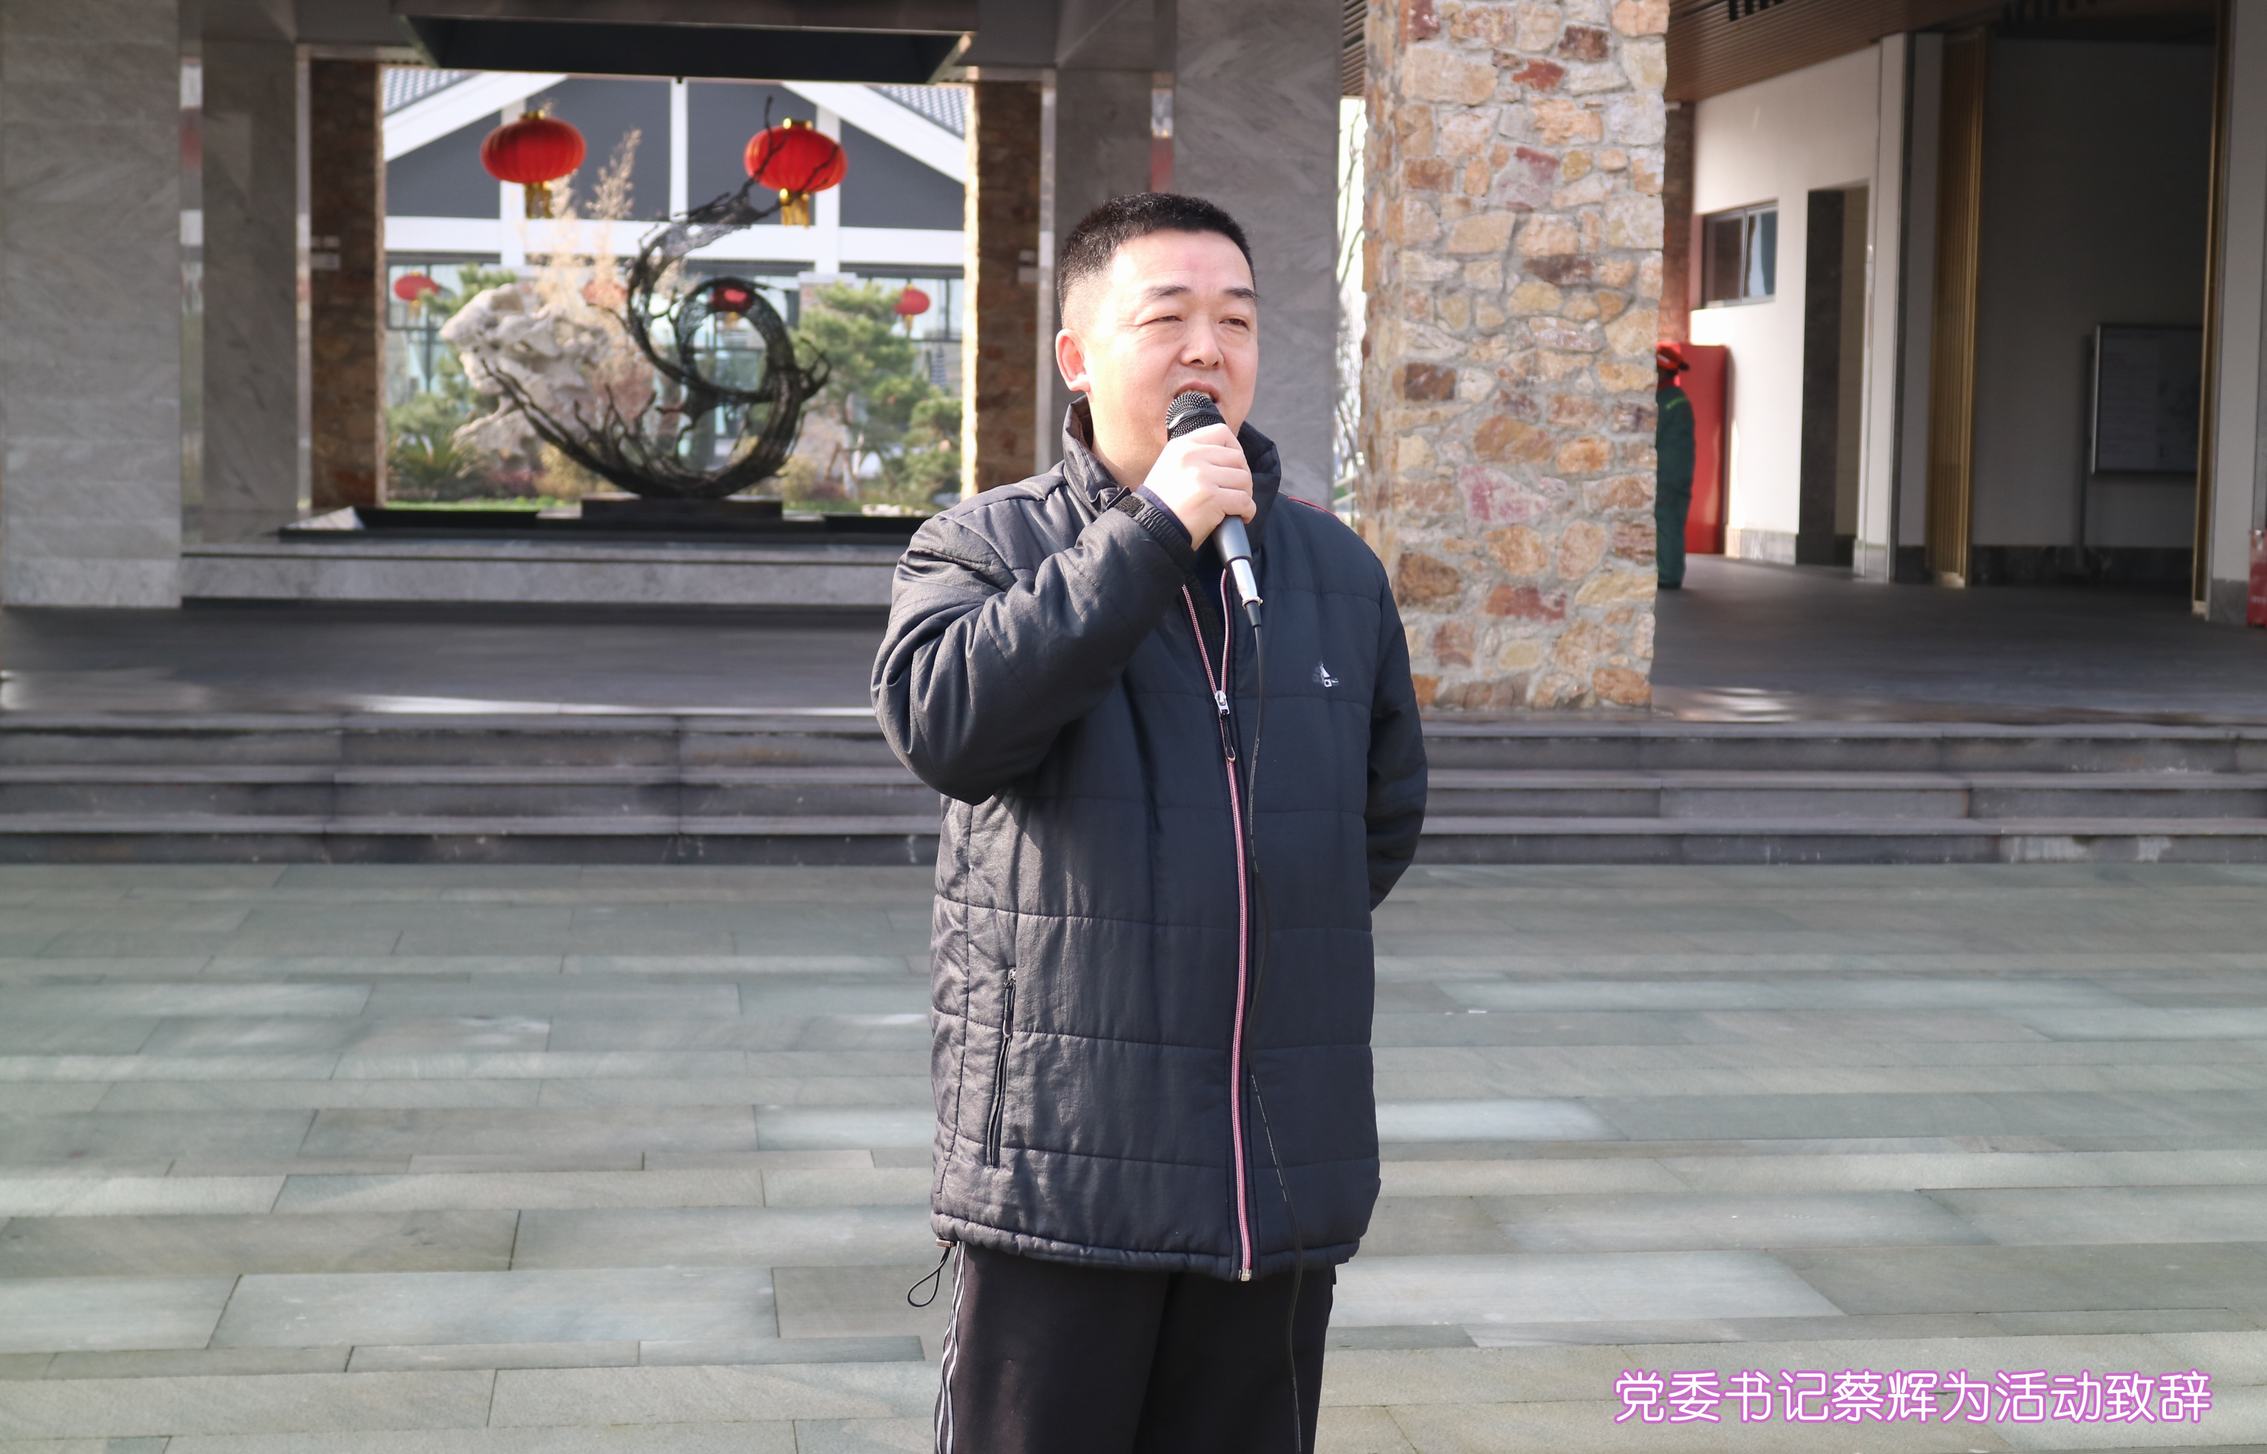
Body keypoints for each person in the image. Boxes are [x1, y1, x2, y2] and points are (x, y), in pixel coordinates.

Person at [870, 192, 1428, 1454]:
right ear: (1077, 354)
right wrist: (1152, 531)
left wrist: (1238, 917)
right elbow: (947, 726)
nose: (1206, 349)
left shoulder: (1334, 573)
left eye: (1235, 320)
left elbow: (1374, 822)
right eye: (1166, 317)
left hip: (1270, 1174)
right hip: (1065, 1168)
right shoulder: (983, 544)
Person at [1655, 343, 1695, 590]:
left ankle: (1668, 574)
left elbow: (1653, 435)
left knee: (1667, 521)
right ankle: (1671, 571)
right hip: (1679, 472)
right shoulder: (1678, 399)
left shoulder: (1665, 400)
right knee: (1674, 521)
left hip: (1667, 474)